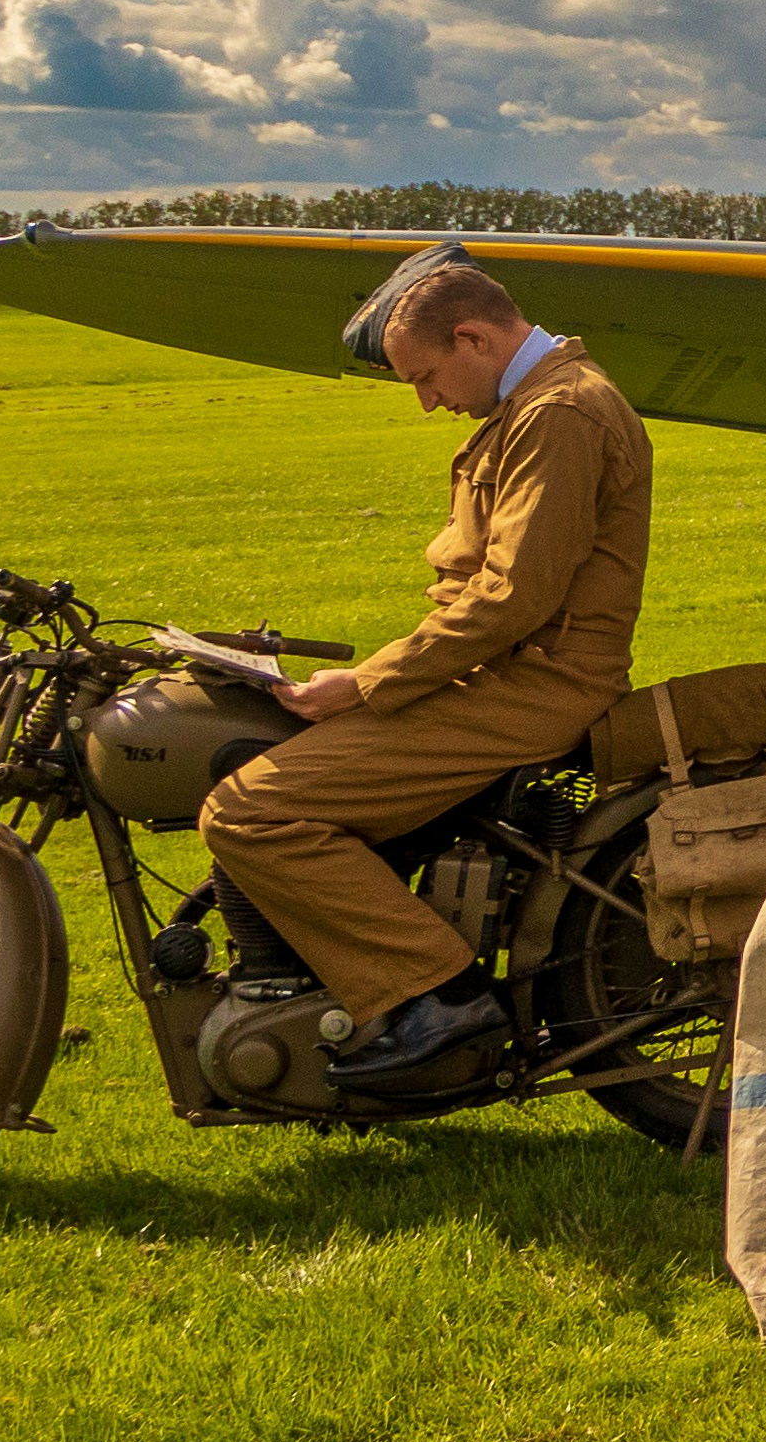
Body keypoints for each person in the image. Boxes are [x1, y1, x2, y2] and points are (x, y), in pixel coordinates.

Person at [200, 263, 653, 1089]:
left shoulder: (559, 413)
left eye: (426, 376)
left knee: (250, 810)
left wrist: (367, 682)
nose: (428, 400)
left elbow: (513, 596)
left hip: (531, 689)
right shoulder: (535, 405)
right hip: (501, 676)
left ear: (472, 337)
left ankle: (436, 996)